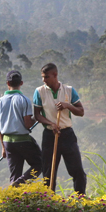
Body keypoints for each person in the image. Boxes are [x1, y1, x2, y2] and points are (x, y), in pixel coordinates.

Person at [33, 63, 88, 194]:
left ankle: (80, 198)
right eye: (42, 77)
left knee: (77, 170)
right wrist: (51, 124)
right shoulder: (39, 91)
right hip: (49, 135)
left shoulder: (69, 90)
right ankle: (49, 202)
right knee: (48, 172)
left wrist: (67, 105)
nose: (44, 80)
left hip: (67, 135)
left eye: (46, 77)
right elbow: (37, 115)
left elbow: (80, 112)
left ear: (55, 75)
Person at [0, 70, 42, 186]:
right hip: (23, 141)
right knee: (40, 164)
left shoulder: (0, 101)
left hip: (7, 142)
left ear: (7, 83)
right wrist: (38, 117)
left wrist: (3, 147)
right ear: (21, 83)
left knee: (15, 173)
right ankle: (19, 183)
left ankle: (14, 193)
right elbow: (28, 124)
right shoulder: (24, 99)